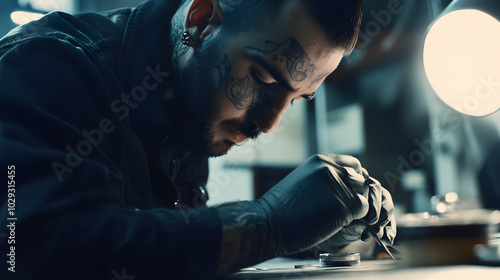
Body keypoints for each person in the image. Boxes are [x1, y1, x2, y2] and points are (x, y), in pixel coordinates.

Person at [0, 0, 396, 279]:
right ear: (201, 19)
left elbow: (154, 247)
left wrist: (309, 235)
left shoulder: (185, 108)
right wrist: (268, 224)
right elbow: (30, 253)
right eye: (264, 80)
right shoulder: (48, 64)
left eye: (295, 99)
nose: (270, 123)